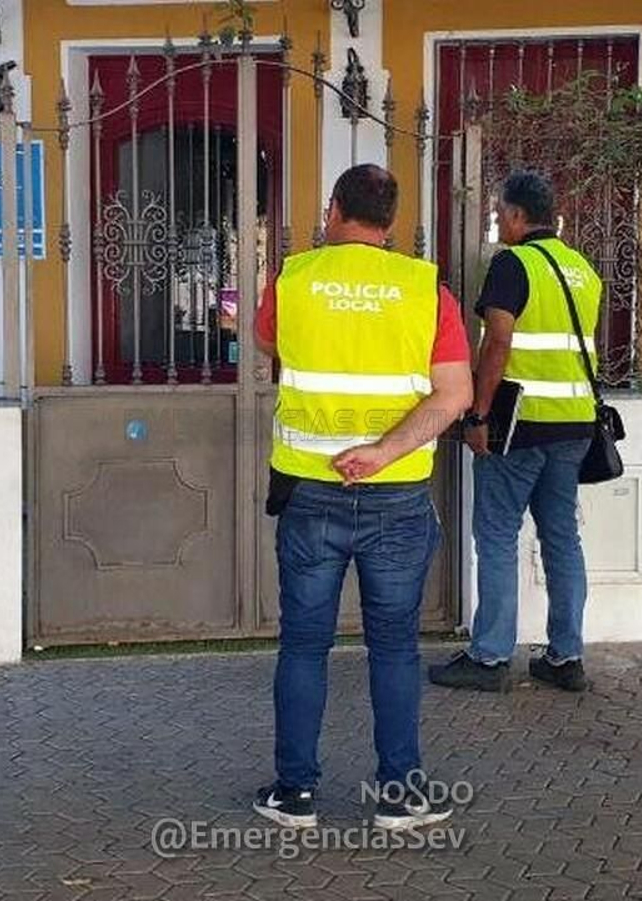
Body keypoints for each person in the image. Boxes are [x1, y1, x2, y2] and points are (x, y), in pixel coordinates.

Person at [252, 164, 473, 830]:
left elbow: (267, 342)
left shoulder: (293, 281)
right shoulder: (425, 290)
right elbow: (455, 394)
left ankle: (294, 793)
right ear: (390, 221)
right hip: (397, 495)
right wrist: (382, 451)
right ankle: (401, 792)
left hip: (310, 493)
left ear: (333, 209)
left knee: (304, 645)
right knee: (396, 647)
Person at [426, 169, 601, 694]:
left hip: (520, 427)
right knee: (562, 539)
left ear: (520, 216)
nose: (498, 221)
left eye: (500, 212)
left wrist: (478, 414)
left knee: (498, 537)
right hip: (574, 426)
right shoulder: (582, 269)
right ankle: (565, 658)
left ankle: (489, 658)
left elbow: (496, 343)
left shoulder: (513, 264)